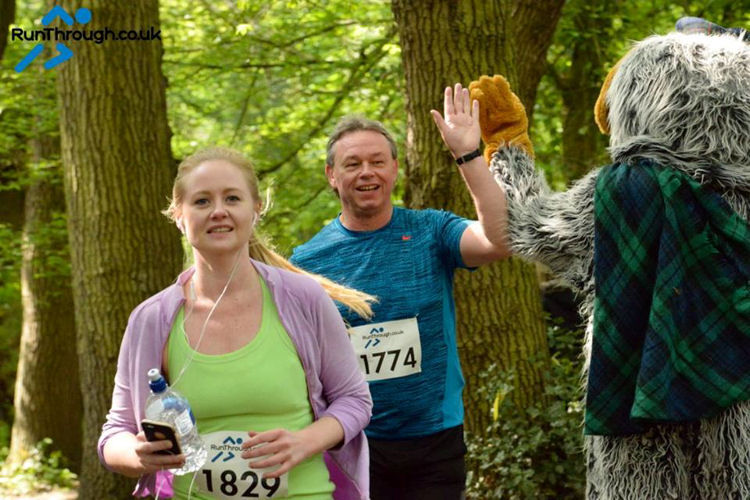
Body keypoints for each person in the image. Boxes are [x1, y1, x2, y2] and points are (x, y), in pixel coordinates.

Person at [98, 147, 374, 499]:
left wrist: (304, 442)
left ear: (255, 209)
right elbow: (115, 434)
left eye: (232, 198)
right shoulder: (151, 319)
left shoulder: (303, 299)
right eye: (201, 202)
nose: (218, 212)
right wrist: (136, 455)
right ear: (178, 215)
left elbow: (354, 401)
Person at [290, 84, 511, 499]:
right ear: (332, 176)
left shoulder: (431, 231)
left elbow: (500, 241)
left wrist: (468, 155)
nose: (366, 172)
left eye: (377, 161)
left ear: (395, 169)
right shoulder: (306, 262)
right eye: (352, 164)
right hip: (351, 442)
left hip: (434, 440)